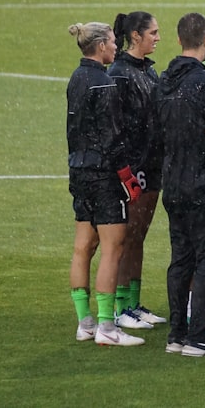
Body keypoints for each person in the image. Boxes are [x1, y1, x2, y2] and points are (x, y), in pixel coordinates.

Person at [153, 13, 205, 357]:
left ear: (178, 40)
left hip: (171, 182)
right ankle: (199, 335)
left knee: (180, 259)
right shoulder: (204, 83)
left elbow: (158, 131)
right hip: (201, 182)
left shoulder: (163, 80)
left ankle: (177, 332)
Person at [65, 21, 144, 347]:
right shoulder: (104, 83)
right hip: (103, 176)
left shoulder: (76, 78)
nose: (117, 47)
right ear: (99, 46)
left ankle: (85, 322)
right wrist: (127, 177)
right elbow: (113, 138)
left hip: (79, 172)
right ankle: (107, 327)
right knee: (113, 248)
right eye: (113, 42)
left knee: (83, 247)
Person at [108, 11, 167, 331]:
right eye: (153, 33)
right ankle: (121, 307)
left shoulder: (146, 71)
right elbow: (116, 127)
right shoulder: (120, 74)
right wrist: (125, 169)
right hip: (135, 169)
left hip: (152, 165)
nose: (158, 38)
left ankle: (134, 303)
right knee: (127, 237)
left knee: (138, 237)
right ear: (135, 36)